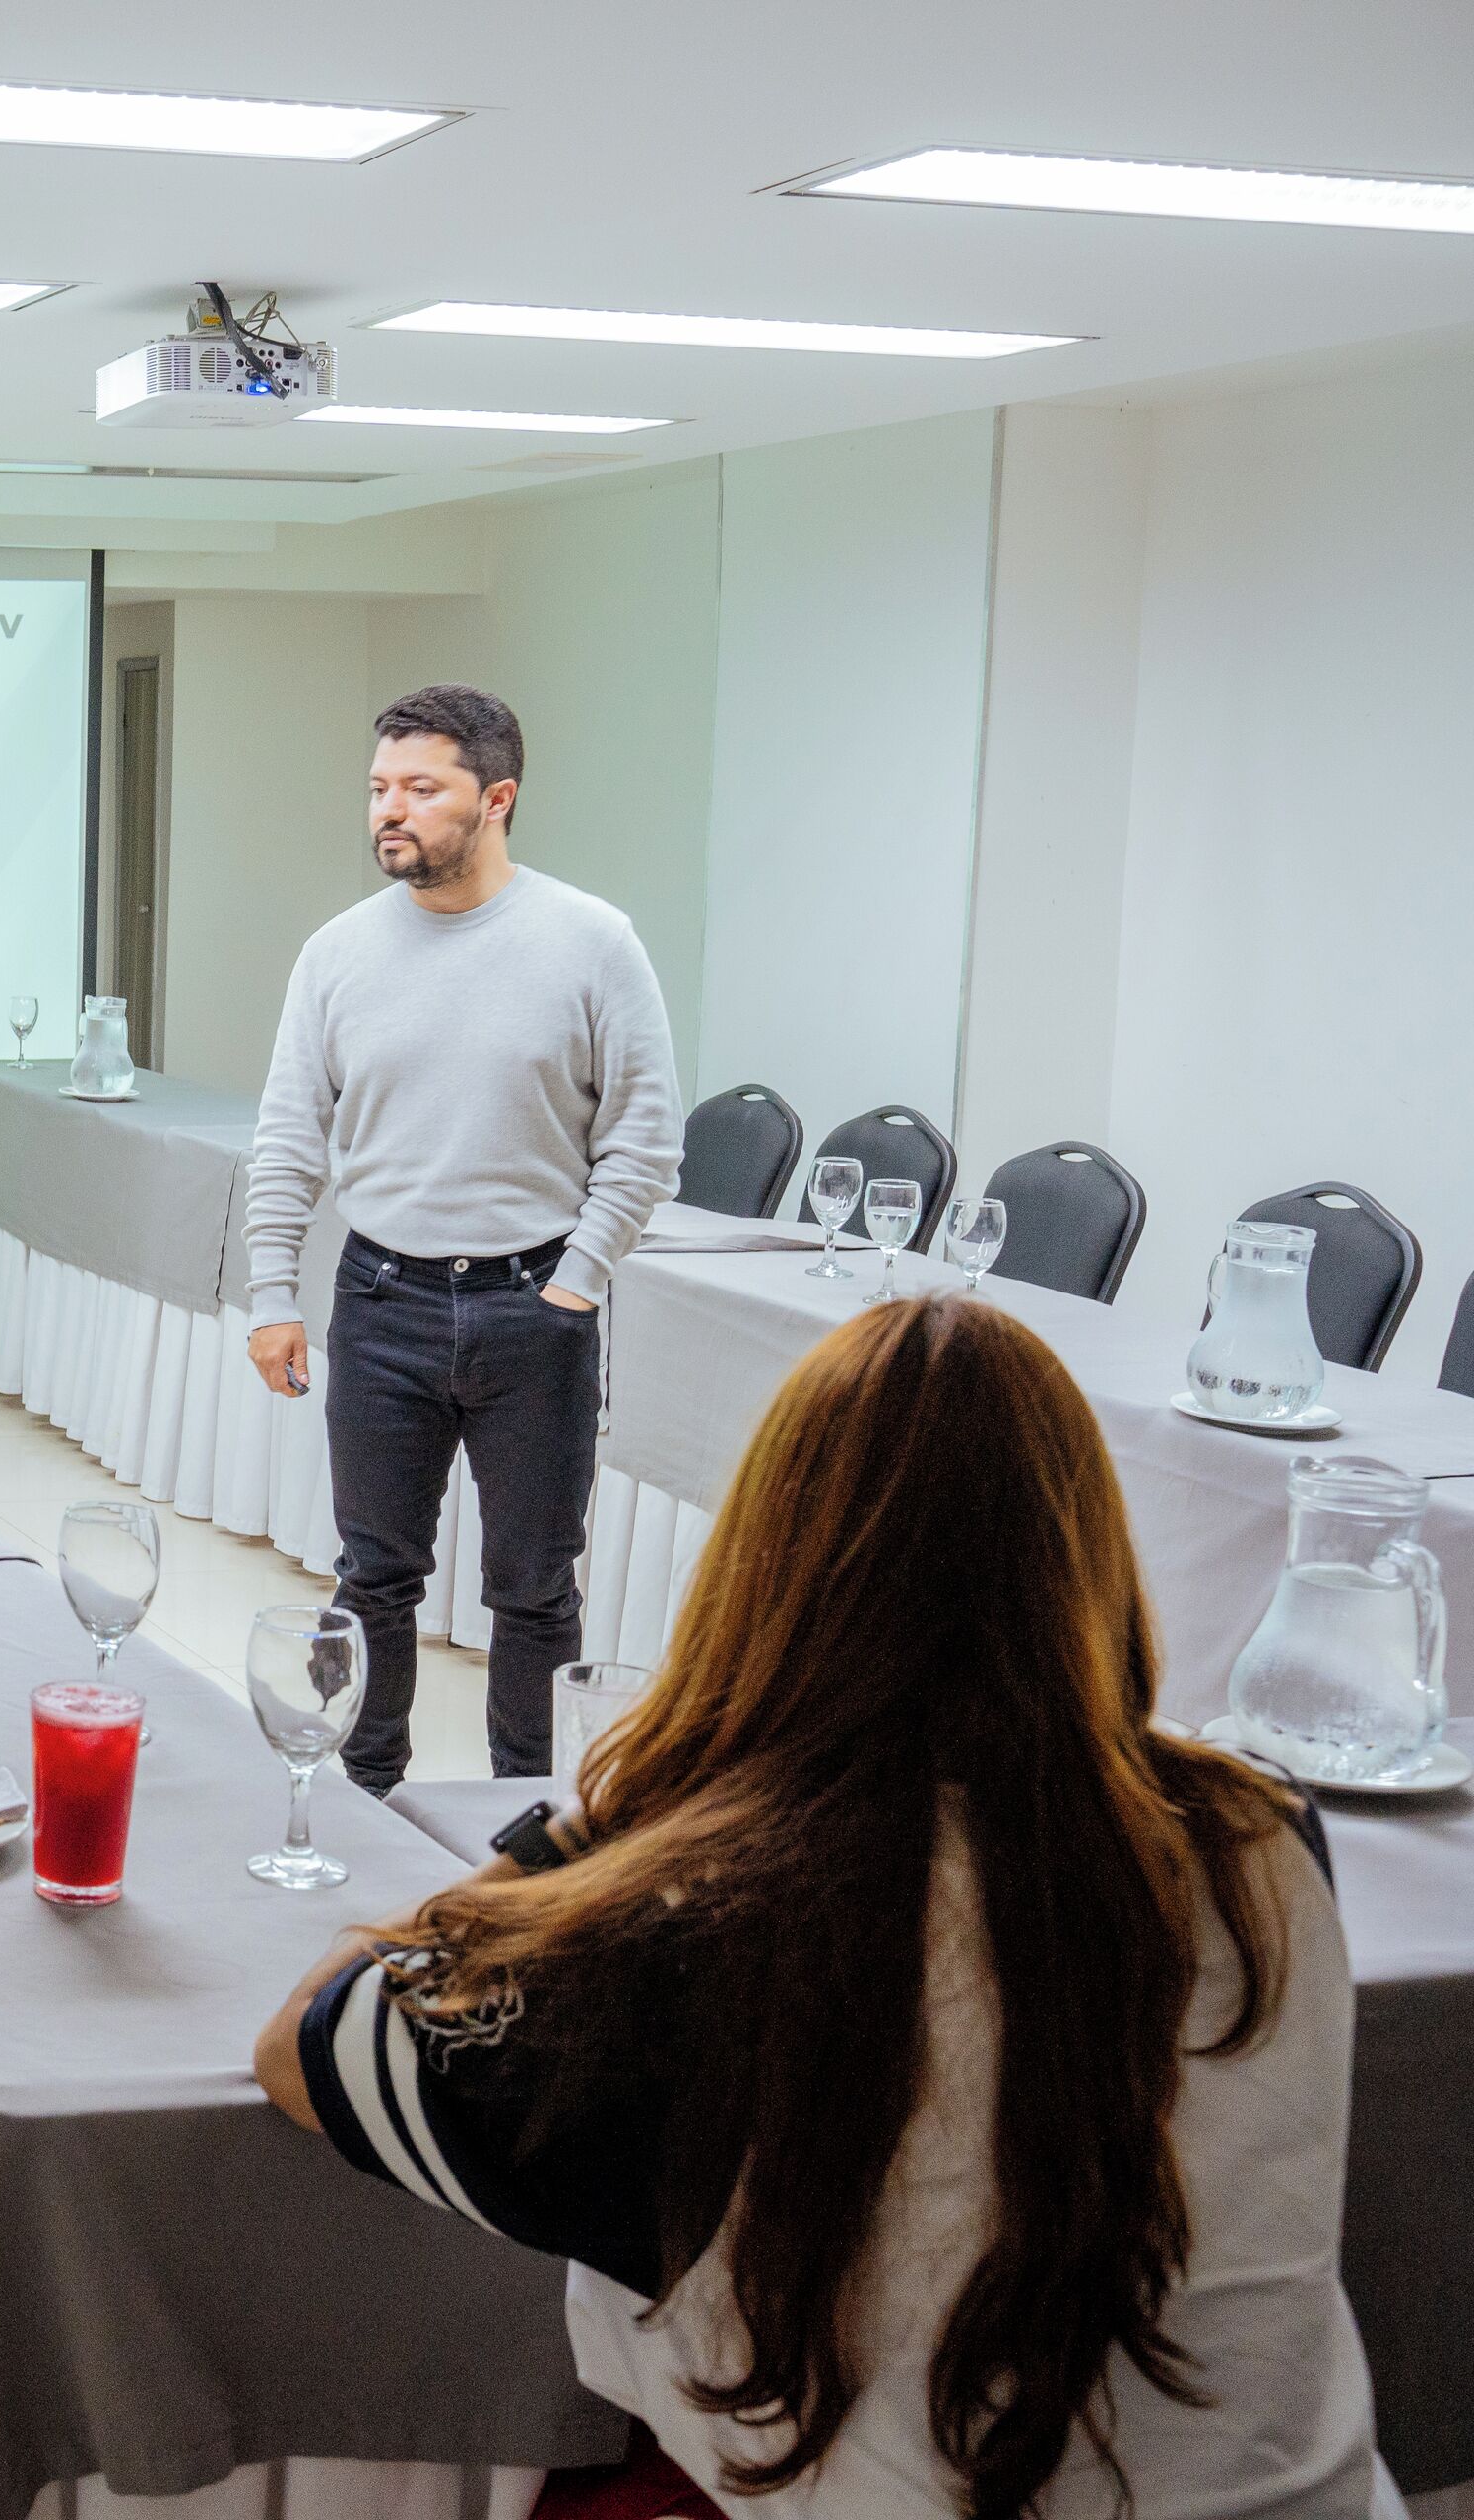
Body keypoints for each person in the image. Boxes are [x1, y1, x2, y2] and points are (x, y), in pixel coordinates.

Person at [254, 1296, 1398, 2518]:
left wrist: (602, 1824)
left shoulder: (706, 1921)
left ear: (769, 1568)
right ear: (1087, 1553)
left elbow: (310, 2040)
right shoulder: (1261, 1832)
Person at [241, 686, 682, 1790]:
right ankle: (367, 1795)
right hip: (380, 1297)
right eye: (380, 788)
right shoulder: (337, 953)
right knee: (374, 1575)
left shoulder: (593, 942)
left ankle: (526, 1819)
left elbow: (646, 1136)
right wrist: (271, 1293)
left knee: (535, 1587)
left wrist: (578, 1283)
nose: (389, 810)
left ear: (496, 799)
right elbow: (289, 1133)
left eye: (419, 789)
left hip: (534, 1304)